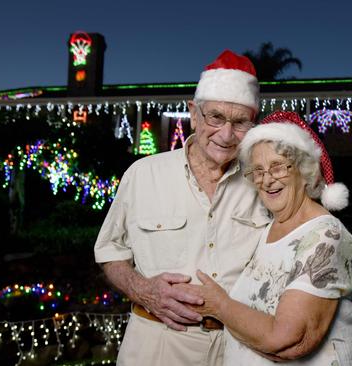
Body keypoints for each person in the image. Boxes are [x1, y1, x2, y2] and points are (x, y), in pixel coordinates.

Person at [93, 50, 271, 365]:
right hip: (156, 346)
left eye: (240, 122)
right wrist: (143, 289)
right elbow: (110, 252)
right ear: (193, 113)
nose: (226, 135)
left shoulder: (265, 184)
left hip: (241, 350)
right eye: (215, 117)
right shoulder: (143, 174)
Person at [176, 111, 352, 365]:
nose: (267, 179)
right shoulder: (266, 230)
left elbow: (286, 338)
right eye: (258, 171)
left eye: (277, 166)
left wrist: (220, 306)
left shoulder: (325, 235)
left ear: (304, 169)